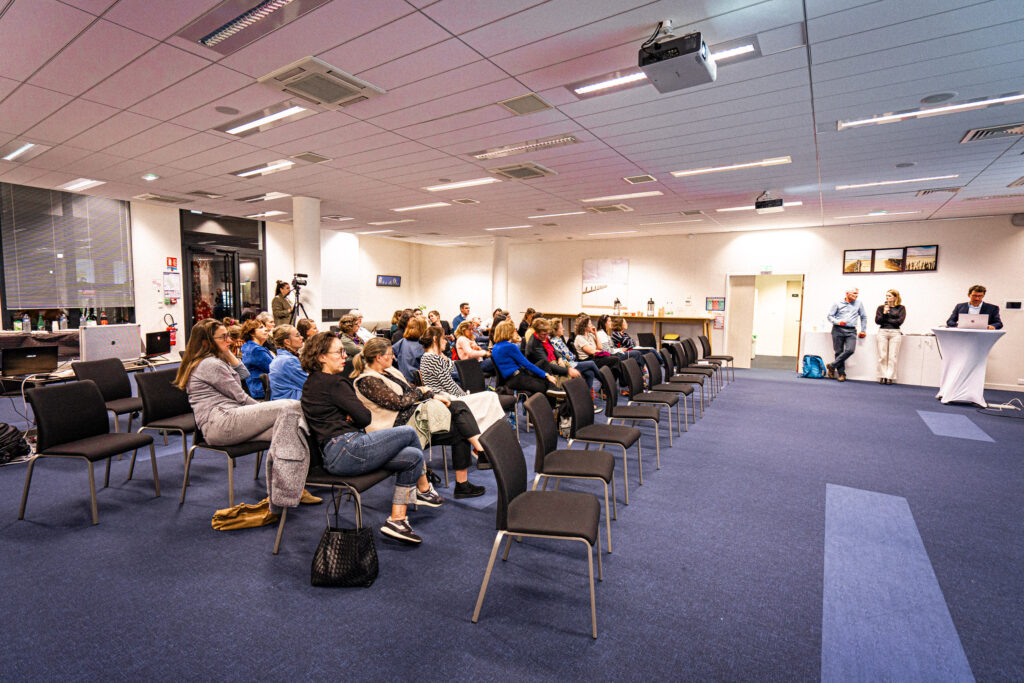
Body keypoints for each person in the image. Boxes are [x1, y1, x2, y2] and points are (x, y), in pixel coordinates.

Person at [300, 333, 442, 544]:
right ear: (321, 357)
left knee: (412, 456)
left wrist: (350, 416)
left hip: (336, 454)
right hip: (347, 450)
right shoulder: (335, 383)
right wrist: (352, 417)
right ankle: (423, 488)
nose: (344, 356)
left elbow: (355, 417)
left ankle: (397, 519)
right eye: (339, 352)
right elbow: (364, 417)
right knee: (409, 432)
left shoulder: (312, 383)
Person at [174, 318, 317, 510]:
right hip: (221, 423)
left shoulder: (216, 360)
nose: (230, 340)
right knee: (291, 406)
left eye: (227, 336)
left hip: (230, 419)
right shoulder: (209, 364)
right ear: (206, 343)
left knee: (291, 429)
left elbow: (244, 374)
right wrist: (263, 409)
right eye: (223, 338)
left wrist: (226, 352)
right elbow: (241, 397)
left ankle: (290, 491)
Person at [351, 338, 486, 498]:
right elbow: (398, 403)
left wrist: (431, 394)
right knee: (457, 407)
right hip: (394, 431)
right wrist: (423, 392)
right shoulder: (367, 380)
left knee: (460, 429)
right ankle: (482, 451)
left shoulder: (390, 372)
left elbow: (412, 389)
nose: (394, 357)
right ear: (379, 357)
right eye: (390, 354)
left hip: (413, 419)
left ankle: (463, 485)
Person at [419, 327, 505, 435]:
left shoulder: (428, 357)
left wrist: (441, 354)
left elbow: (450, 368)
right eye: (443, 338)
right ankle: (488, 436)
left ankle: (486, 435)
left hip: (444, 398)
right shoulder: (433, 358)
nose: (446, 341)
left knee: (489, 397)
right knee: (491, 396)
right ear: (435, 339)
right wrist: (464, 396)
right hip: (448, 400)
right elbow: (449, 385)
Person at [491, 319, 558, 401]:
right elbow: (526, 364)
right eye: (513, 331)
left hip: (512, 377)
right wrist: (547, 375)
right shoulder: (509, 346)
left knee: (543, 363)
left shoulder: (495, 347)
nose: (515, 333)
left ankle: (552, 387)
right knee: (544, 385)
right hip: (517, 378)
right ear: (508, 332)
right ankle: (551, 403)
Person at [525, 317, 582, 390]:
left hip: (552, 365)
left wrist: (559, 358)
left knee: (578, 377)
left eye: (547, 334)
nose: (546, 336)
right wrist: (567, 370)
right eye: (544, 334)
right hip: (542, 373)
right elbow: (547, 365)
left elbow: (554, 350)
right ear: (537, 332)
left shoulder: (543, 337)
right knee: (571, 382)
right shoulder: (534, 346)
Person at [826, 287, 867, 382]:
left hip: (851, 330)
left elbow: (863, 317)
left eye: (857, 294)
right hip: (838, 330)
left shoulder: (859, 303)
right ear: (847, 293)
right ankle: (841, 374)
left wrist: (863, 330)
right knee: (838, 352)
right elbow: (830, 316)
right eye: (854, 293)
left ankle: (832, 366)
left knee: (850, 350)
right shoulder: (837, 303)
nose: (856, 295)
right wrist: (838, 322)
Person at [573, 315, 626, 382]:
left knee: (615, 363)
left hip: (595, 358)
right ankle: (616, 383)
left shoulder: (591, 335)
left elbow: (600, 347)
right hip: (588, 360)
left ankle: (612, 384)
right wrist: (599, 351)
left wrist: (595, 334)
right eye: (590, 324)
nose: (592, 325)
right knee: (615, 360)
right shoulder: (579, 338)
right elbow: (592, 352)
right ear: (584, 326)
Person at [875, 289, 906, 385]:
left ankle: (890, 377)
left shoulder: (901, 308)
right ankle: (882, 375)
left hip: (895, 332)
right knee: (882, 355)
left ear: (895, 297)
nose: (887, 297)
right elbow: (878, 321)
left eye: (889, 296)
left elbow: (899, 322)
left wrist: (888, 319)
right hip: (883, 332)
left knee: (893, 356)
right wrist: (884, 313)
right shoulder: (881, 308)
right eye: (886, 296)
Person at [268, 325, 307, 400]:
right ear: (287, 342)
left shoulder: (283, 358)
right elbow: (310, 383)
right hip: (290, 405)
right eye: (297, 336)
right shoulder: (288, 361)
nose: (301, 337)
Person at [240, 318, 275, 398]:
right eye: (261, 327)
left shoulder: (248, 346)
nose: (266, 329)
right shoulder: (256, 350)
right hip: (261, 390)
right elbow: (275, 369)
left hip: (257, 388)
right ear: (252, 333)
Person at [392, 316, 426, 383]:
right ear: (423, 329)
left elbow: (391, 352)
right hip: (416, 381)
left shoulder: (402, 341)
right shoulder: (422, 345)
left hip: (402, 378)